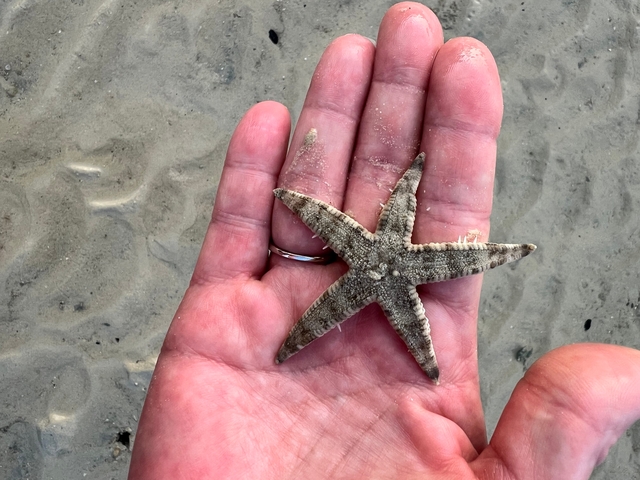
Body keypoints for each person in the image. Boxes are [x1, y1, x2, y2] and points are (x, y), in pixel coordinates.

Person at [128, 3, 640, 478]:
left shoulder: (383, 259)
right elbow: (340, 234)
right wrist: (386, 181)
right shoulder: (379, 258)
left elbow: (431, 254)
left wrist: (410, 183)